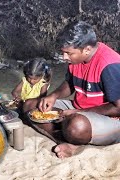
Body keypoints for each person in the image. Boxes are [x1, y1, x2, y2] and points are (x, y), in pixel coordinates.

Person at [24, 21, 120, 159]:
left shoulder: (110, 65)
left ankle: (72, 137)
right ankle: (64, 141)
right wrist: (53, 96)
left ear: (86, 49)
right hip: (80, 109)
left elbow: (118, 108)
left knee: (76, 126)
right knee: (30, 105)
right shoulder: (76, 59)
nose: (65, 57)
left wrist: (78, 112)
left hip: (112, 119)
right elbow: (70, 84)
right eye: (63, 53)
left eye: (69, 53)